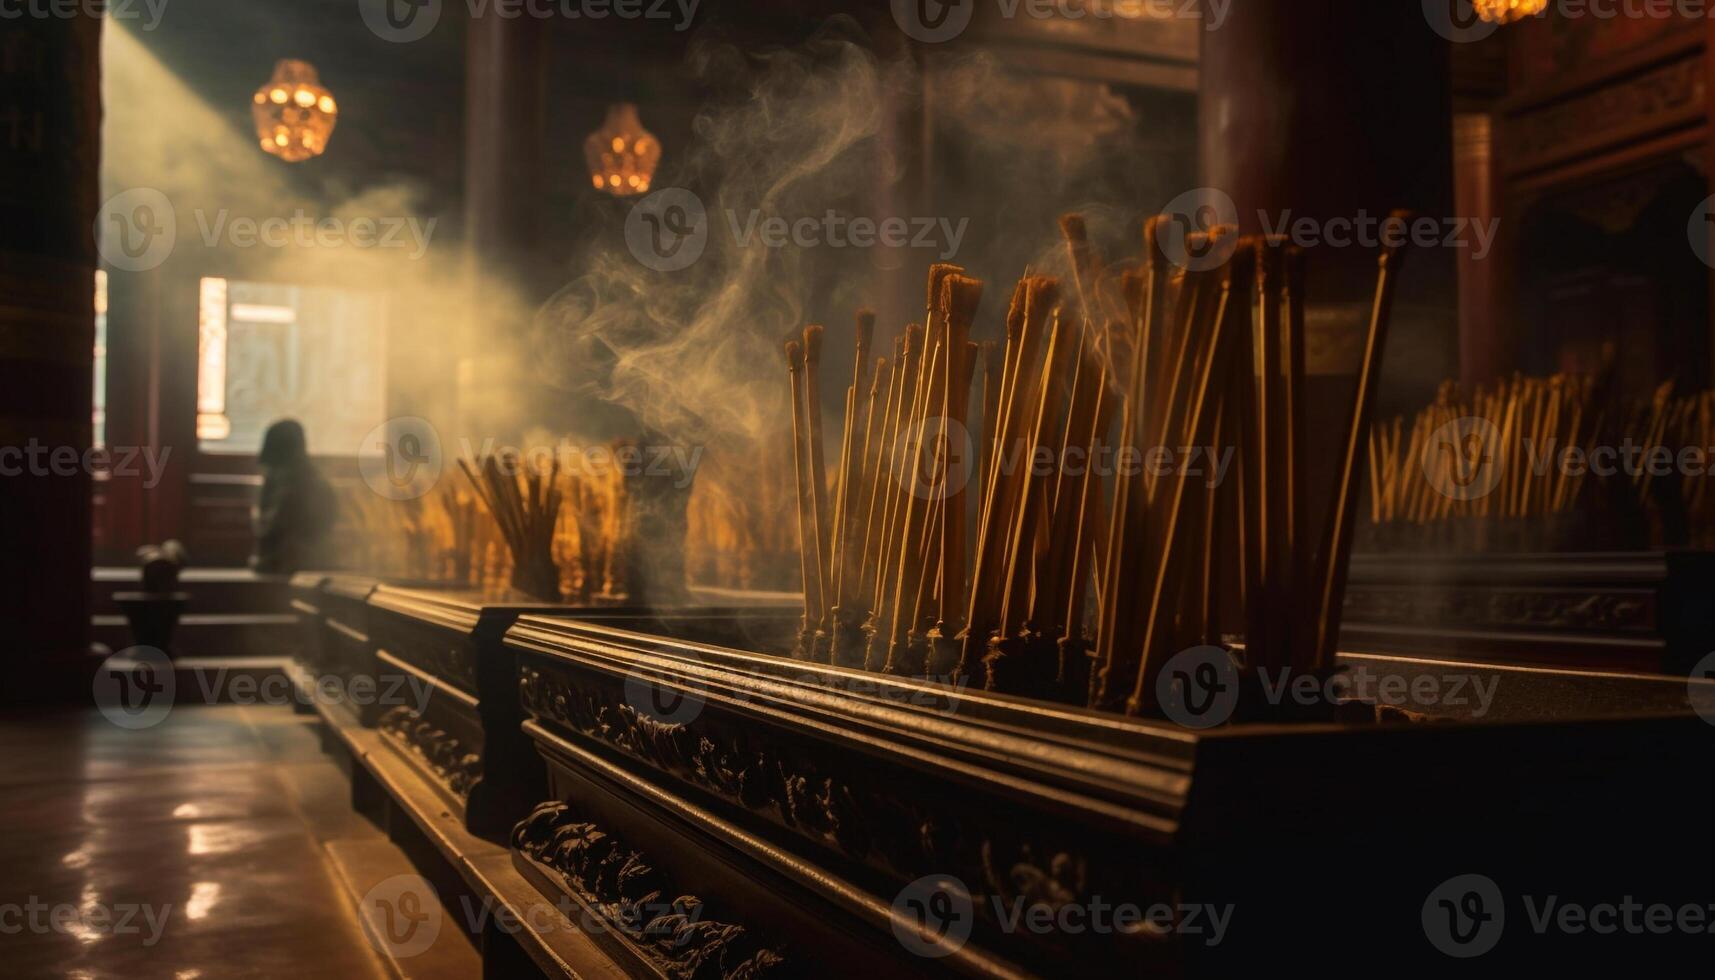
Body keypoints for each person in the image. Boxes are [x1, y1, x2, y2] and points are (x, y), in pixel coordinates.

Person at [252, 419, 337, 573]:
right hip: (302, 563)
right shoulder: (314, 482)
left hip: (298, 565)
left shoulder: (298, 488)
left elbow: (267, 528)